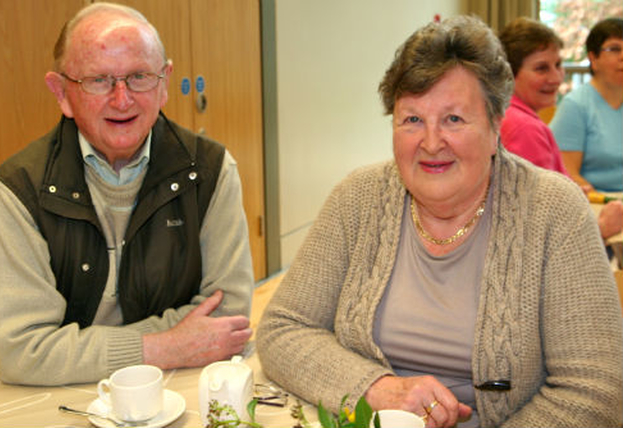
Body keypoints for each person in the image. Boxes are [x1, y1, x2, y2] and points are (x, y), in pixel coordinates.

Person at [257, 15, 623, 428]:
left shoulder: (555, 212)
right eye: (412, 119)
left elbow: (596, 390)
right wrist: (376, 388)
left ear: (495, 124)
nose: (431, 143)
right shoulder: (357, 200)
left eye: (453, 119)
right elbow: (283, 329)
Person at [0, 3, 254, 386]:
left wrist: (74, 351)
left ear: (164, 83)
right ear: (61, 92)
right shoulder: (20, 188)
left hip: (175, 386)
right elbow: (21, 352)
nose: (122, 99)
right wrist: (162, 346)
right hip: (57, 397)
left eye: (139, 76)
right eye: (99, 80)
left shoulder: (210, 171)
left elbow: (228, 317)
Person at [499, 17, 623, 240]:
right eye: (541, 69)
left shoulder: (515, 118)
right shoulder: (525, 128)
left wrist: (570, 192)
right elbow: (540, 230)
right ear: (509, 73)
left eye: (557, 65)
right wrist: (603, 227)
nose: (556, 78)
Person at [550, 18, 623, 193]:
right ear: (593, 58)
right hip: (598, 206)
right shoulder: (575, 106)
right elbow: (568, 175)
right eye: (614, 49)